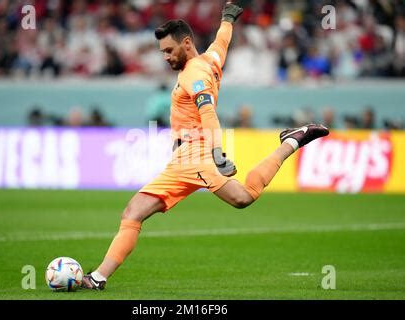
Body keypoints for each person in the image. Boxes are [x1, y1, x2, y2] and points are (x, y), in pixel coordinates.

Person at [81, 3, 329, 290]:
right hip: (183, 159)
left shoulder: (194, 75)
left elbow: (208, 113)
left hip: (198, 155)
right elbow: (221, 42)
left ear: (186, 43)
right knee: (133, 212)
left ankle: (291, 141)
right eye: (162, 51)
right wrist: (228, 19)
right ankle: (97, 278)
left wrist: (216, 153)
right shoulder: (209, 60)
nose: (165, 56)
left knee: (243, 198)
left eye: (168, 50)